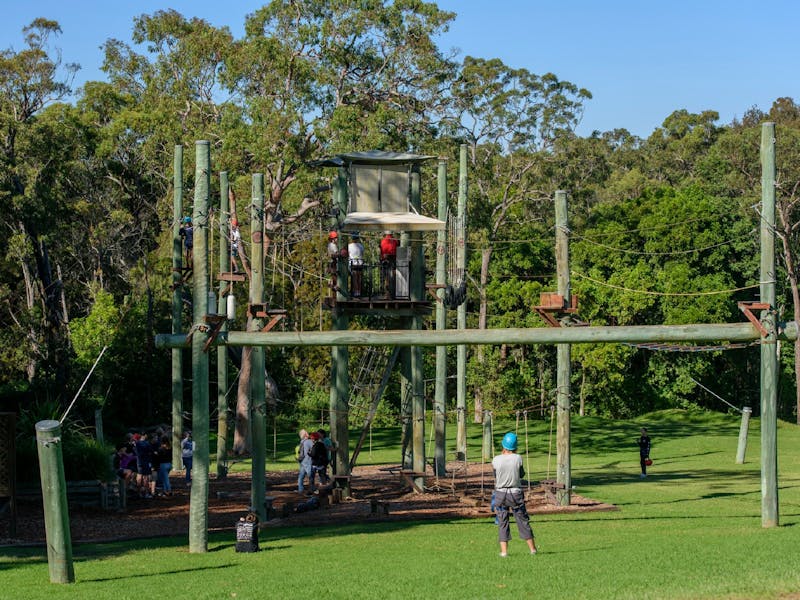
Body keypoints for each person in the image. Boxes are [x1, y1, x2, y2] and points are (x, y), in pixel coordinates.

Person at [492, 432, 537, 557]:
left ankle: (504, 552)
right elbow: (521, 474)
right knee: (522, 520)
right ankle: (533, 549)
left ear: (503, 445)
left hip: (500, 493)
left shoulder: (496, 459)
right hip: (515, 493)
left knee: (502, 522)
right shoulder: (518, 458)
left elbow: (495, 475)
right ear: (515, 446)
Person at [380, 231, 398, 297]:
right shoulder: (395, 241)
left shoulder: (383, 241)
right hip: (393, 260)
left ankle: (386, 293)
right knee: (392, 277)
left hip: (385, 260)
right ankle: (392, 292)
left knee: (385, 277)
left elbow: (381, 251)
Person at [297, 429, 314, 494]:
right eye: (307, 432)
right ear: (305, 434)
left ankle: (300, 489)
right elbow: (314, 448)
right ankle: (312, 489)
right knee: (311, 476)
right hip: (308, 460)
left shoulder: (302, 441)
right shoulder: (309, 441)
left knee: (301, 476)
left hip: (302, 460)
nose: (308, 433)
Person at [348, 233, 364, 297]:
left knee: (354, 278)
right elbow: (362, 253)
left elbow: (348, 254)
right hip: (360, 263)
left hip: (353, 263)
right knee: (359, 278)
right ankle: (359, 291)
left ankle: (355, 292)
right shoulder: (361, 246)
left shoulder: (349, 246)